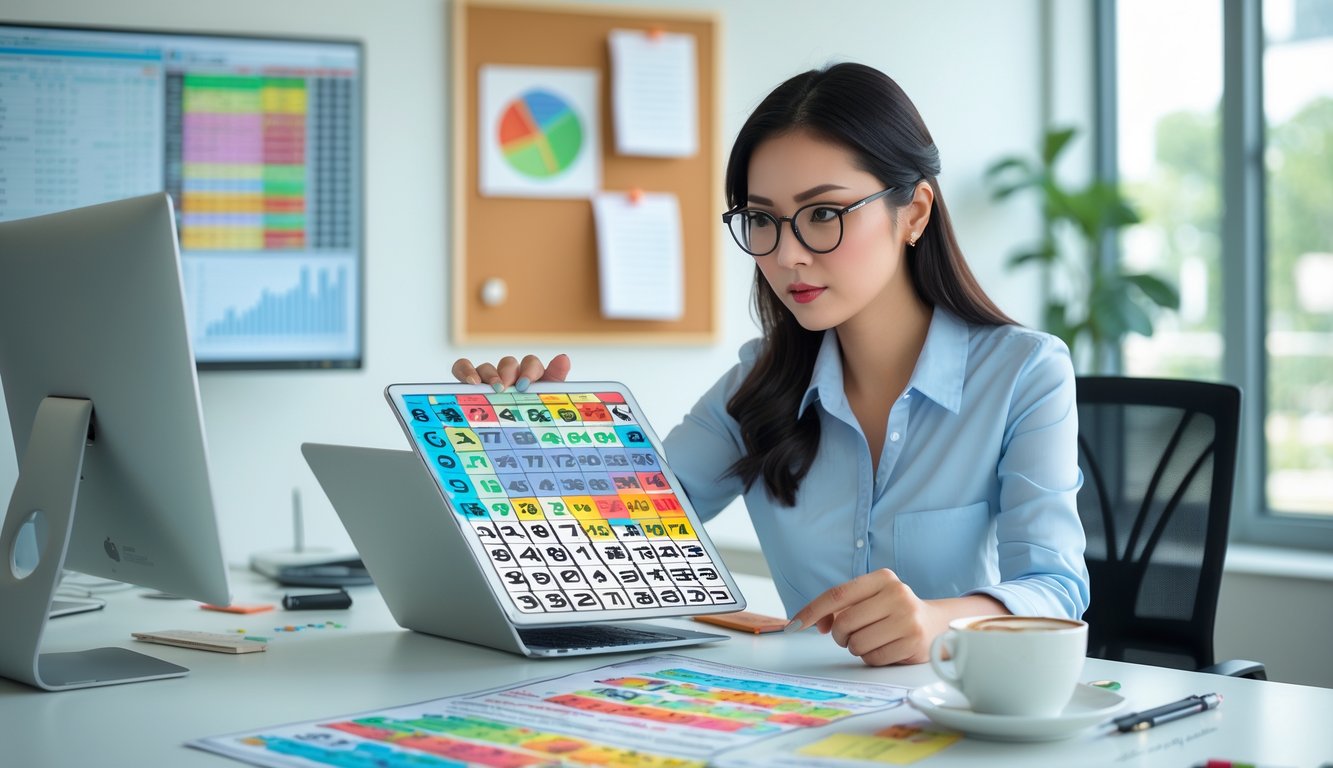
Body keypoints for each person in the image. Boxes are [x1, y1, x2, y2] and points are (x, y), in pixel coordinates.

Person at [452, 62, 1088, 667]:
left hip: (957, 708)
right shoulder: (757, 385)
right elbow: (627, 532)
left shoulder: (1023, 372)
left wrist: (937, 621)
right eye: (762, 220)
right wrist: (517, 442)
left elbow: (1056, 588)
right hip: (801, 711)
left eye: (823, 214)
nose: (786, 255)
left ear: (914, 212)